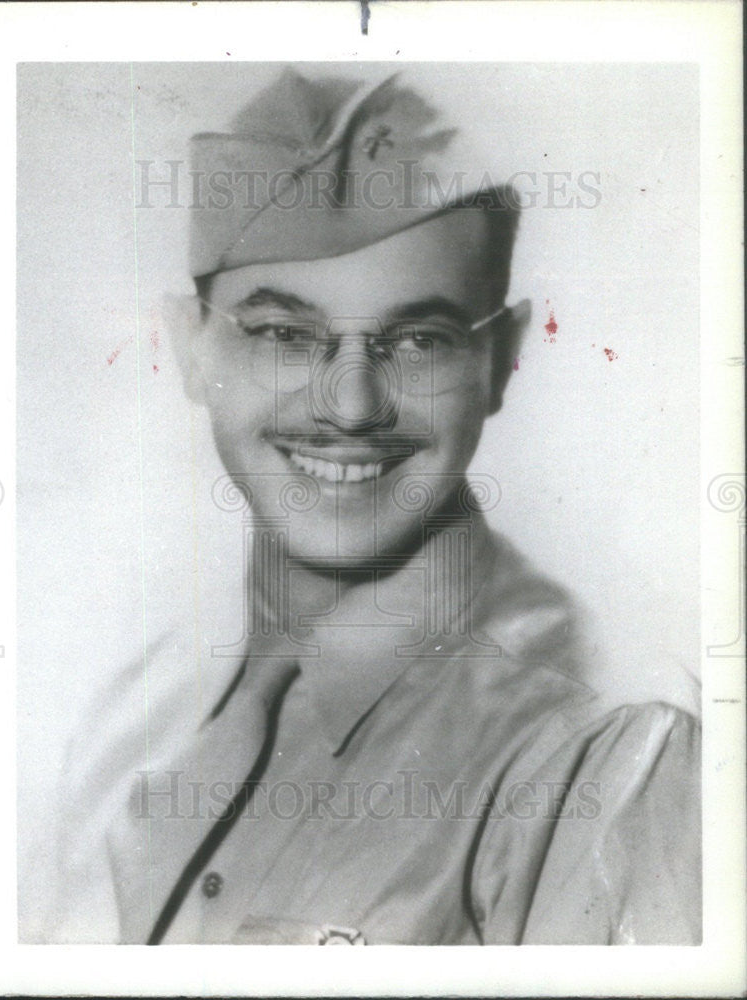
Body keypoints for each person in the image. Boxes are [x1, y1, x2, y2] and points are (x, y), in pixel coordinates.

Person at [52, 68, 700, 945]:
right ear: (190, 346)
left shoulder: (605, 744)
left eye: (420, 341)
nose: (351, 406)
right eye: (283, 334)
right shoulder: (132, 714)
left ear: (502, 360)